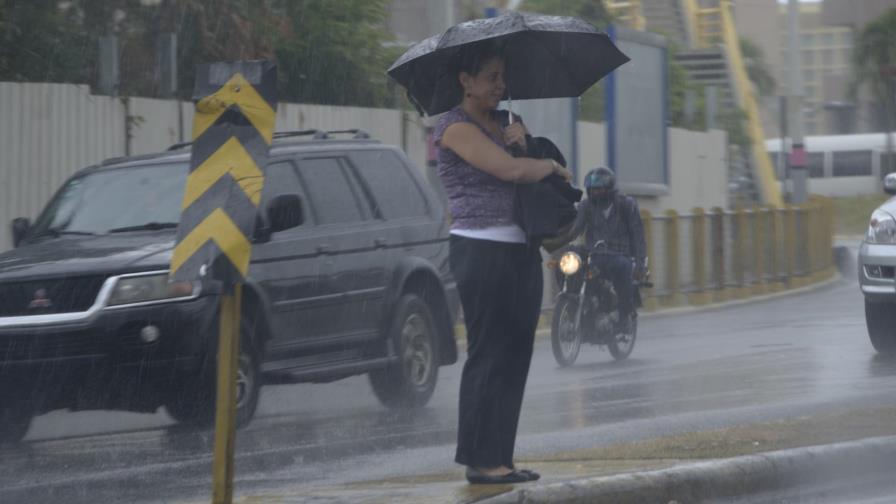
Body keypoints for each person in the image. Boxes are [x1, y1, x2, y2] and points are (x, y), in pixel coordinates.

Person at [434, 41, 573, 485]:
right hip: (479, 249)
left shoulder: (507, 125)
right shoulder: (453, 128)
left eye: (502, 76)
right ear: (466, 81)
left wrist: (525, 143)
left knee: (515, 355)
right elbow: (510, 173)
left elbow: (521, 168)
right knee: (488, 353)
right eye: (492, 76)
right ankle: (479, 459)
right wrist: (546, 163)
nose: (501, 85)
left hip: (519, 249)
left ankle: (501, 459)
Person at [568, 167, 647, 334]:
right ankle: (570, 304)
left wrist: (640, 263)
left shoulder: (626, 205)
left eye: (599, 189)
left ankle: (624, 316)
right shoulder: (586, 206)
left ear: (609, 189)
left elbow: (638, 235)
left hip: (620, 254)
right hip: (594, 255)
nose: (595, 192)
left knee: (623, 267)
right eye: (592, 189)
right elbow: (575, 229)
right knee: (567, 260)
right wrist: (556, 237)